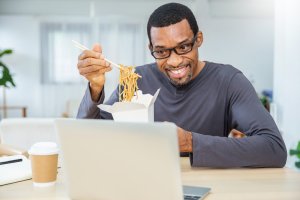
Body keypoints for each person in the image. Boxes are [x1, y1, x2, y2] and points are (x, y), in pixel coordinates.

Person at [76, 3, 287, 168]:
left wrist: (190, 142)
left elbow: (274, 148)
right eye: (161, 51)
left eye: (184, 46)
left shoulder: (229, 81)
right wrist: (95, 89)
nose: (174, 61)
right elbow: (89, 138)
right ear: (151, 48)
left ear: (199, 39)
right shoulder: (135, 78)